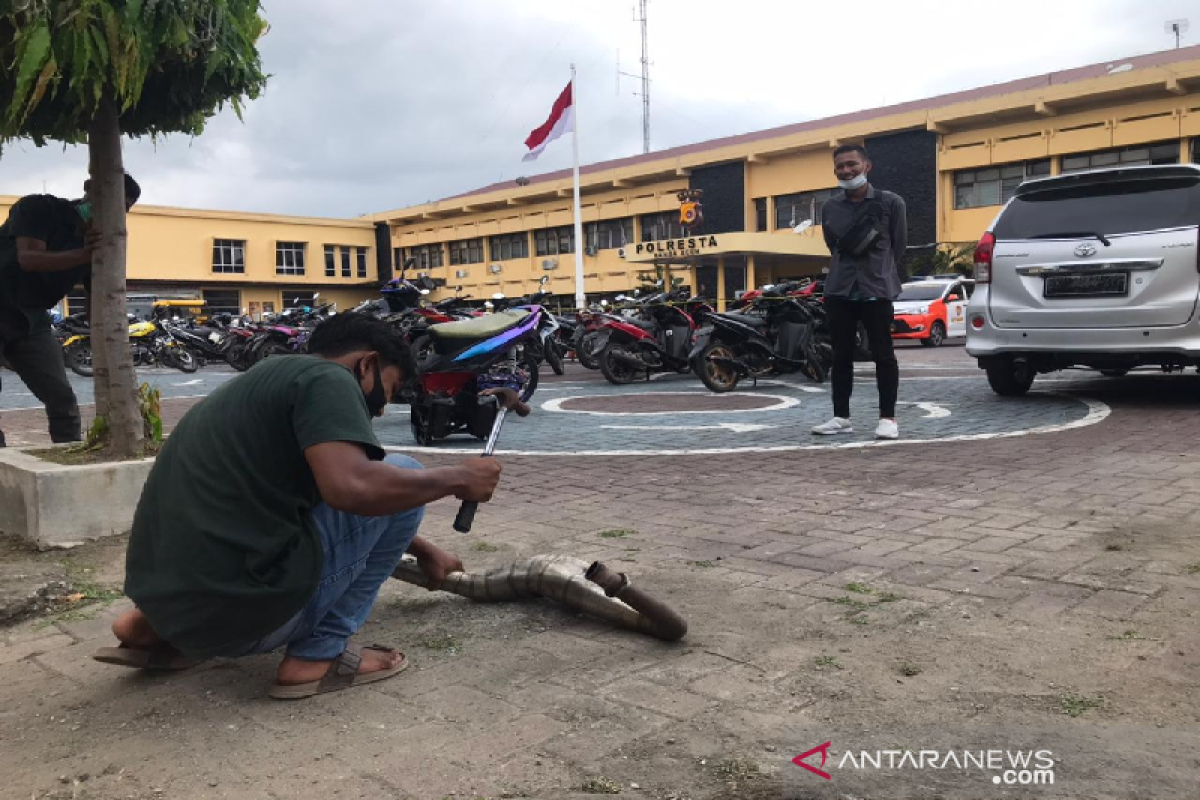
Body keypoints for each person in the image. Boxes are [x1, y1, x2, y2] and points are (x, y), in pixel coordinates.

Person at [93, 312, 502, 699]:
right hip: (239, 620)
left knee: (386, 482)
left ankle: (151, 630)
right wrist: (458, 477)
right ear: (367, 365)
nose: (378, 409)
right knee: (403, 469)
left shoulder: (262, 381)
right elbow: (353, 488)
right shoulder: (328, 379)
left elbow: (315, 496)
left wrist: (419, 547)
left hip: (172, 604)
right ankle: (316, 658)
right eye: (387, 392)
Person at [0, 174, 141, 447]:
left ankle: (69, 452)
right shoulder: (39, 208)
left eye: (122, 207)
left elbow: (95, 306)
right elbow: (28, 258)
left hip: (31, 321)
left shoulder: (97, 244)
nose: (114, 211)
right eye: (108, 200)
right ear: (88, 189)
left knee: (62, 397)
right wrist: (85, 254)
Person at [811, 145, 907, 440]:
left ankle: (888, 419)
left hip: (876, 288)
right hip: (839, 289)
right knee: (840, 355)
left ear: (867, 166)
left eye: (851, 164)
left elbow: (898, 246)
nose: (845, 171)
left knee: (883, 354)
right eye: (839, 166)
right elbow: (833, 247)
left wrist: (879, 270)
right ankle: (841, 418)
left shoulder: (891, 203)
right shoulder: (829, 207)